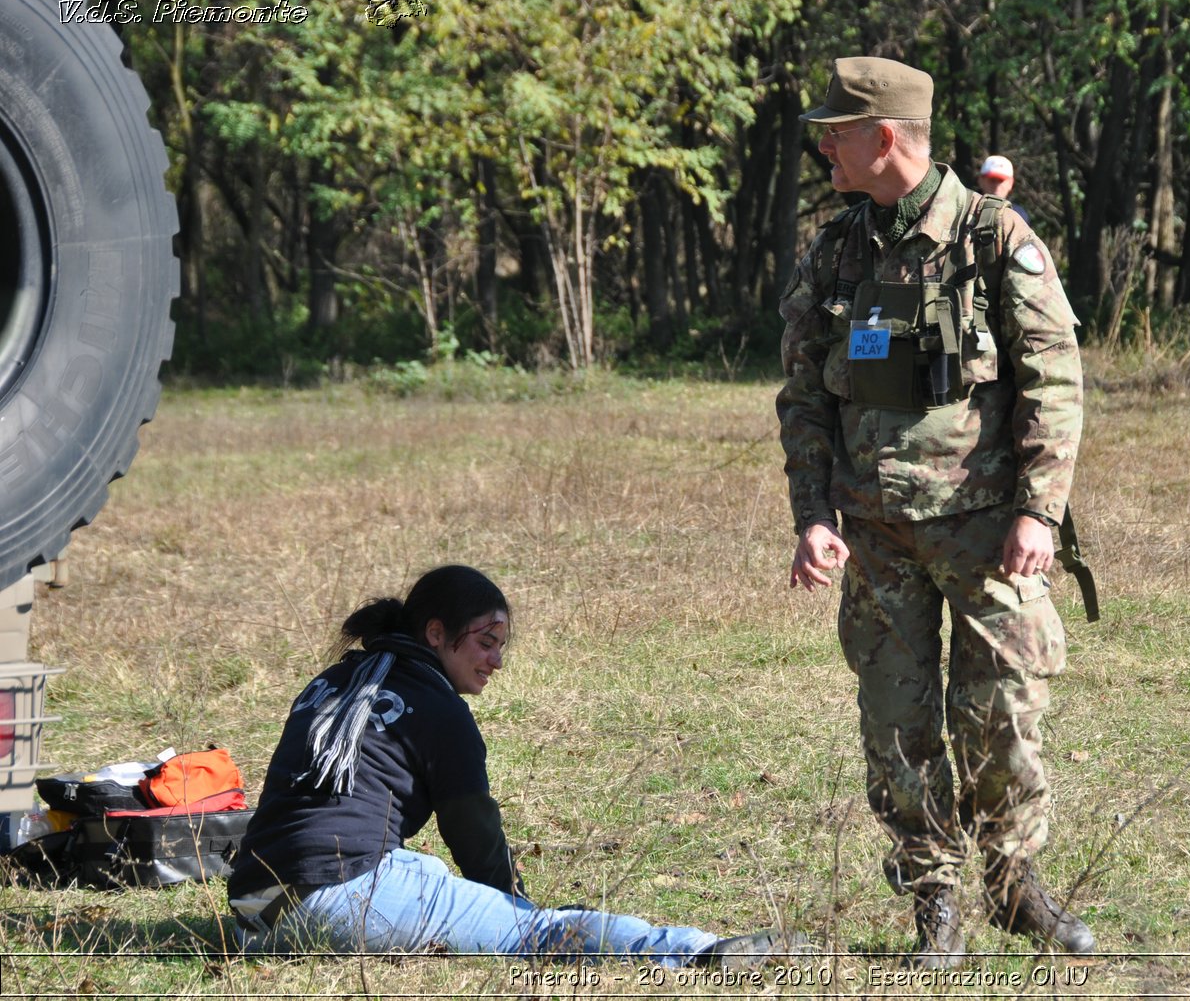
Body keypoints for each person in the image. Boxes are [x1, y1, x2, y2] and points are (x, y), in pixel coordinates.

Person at [775, 57, 1094, 968]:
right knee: (896, 723)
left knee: (1001, 714)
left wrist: (1039, 508)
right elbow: (802, 396)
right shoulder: (834, 250)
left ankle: (1014, 882)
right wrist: (812, 514)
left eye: (835, 131)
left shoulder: (993, 239)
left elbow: (1053, 378)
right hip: (874, 537)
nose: (823, 145)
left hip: (989, 533)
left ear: (884, 138)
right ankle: (936, 904)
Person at [228, 564, 804, 967]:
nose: (497, 659)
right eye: (485, 641)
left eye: (503, 643)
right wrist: (513, 905)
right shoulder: (437, 709)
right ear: (436, 634)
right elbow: (476, 839)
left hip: (252, 911)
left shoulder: (334, 681)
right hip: (335, 902)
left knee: (421, 871)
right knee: (540, 932)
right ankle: (699, 953)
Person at [976, 155, 1031, 226]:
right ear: (981, 180)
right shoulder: (967, 209)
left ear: (1010, 183)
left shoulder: (1019, 216)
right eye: (992, 180)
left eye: (1001, 180)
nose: (996, 185)